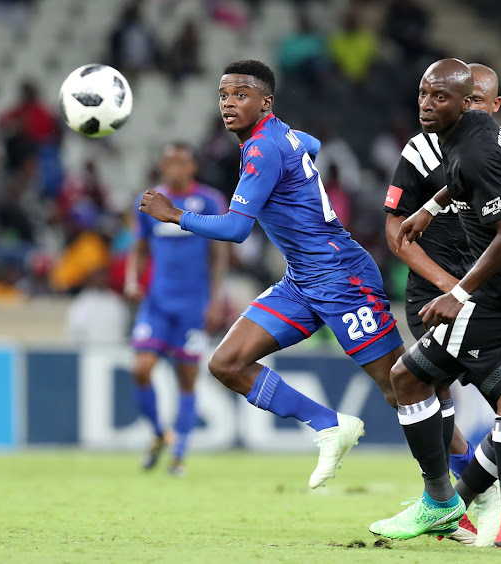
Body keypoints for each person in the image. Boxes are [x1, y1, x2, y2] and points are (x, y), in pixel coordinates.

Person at [138, 60, 405, 489]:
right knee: (227, 363)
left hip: (341, 276)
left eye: (240, 95)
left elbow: (236, 229)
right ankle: (329, 424)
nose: (228, 103)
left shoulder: (262, 149)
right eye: (224, 95)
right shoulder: (278, 137)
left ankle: (468, 484)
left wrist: (174, 215)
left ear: (266, 103)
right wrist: (294, 159)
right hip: (302, 280)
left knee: (400, 388)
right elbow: (311, 144)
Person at [370, 59, 501, 550]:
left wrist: (457, 293)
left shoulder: (477, 149)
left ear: (471, 104)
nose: (426, 104)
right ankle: (499, 519)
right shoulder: (474, 137)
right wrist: (429, 208)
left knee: (407, 378)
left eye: (440, 97)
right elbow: (463, 178)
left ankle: (442, 506)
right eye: (423, 93)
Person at [126, 143, 229, 476]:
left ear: (192, 167)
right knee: (141, 368)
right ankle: (159, 433)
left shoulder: (209, 201)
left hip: (193, 307)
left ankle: (179, 454)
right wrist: (131, 280)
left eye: (180, 162)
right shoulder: (150, 201)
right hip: (156, 303)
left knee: (186, 378)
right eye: (168, 161)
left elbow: (219, 255)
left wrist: (215, 301)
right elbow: (139, 247)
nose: (172, 168)